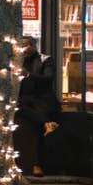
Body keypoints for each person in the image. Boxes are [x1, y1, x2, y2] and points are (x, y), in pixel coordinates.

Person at [14, 36, 61, 177]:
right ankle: (46, 123)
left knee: (35, 128)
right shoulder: (16, 61)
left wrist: (28, 75)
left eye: (27, 45)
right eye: (21, 46)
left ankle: (36, 165)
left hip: (42, 99)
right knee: (17, 107)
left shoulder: (45, 60)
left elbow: (48, 79)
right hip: (25, 101)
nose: (24, 49)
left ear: (34, 46)